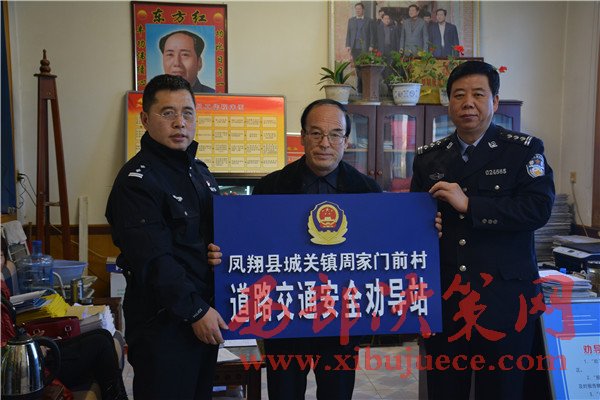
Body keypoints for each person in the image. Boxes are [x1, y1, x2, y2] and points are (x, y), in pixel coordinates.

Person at [410, 61, 555, 399]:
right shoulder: (429, 158)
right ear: (449, 103)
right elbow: (415, 219)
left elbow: (538, 209)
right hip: (447, 299)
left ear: (495, 101)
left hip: (506, 301)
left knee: (503, 391)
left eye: (478, 94)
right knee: (445, 391)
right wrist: (426, 226)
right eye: (459, 95)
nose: (468, 103)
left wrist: (470, 206)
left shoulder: (523, 150)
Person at [106, 74, 227, 399]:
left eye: (187, 113)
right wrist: (195, 311)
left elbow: (208, 239)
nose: (180, 123)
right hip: (163, 324)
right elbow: (154, 260)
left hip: (204, 315)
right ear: (145, 119)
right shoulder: (136, 182)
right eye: (168, 113)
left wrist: (219, 251)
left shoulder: (200, 173)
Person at [253, 99, 382, 399]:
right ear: (302, 137)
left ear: (346, 141)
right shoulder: (270, 189)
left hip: (342, 321)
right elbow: (253, 251)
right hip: (284, 318)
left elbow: (380, 254)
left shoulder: (368, 192)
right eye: (316, 133)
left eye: (335, 134)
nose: (325, 143)